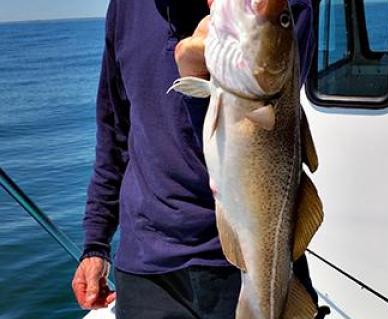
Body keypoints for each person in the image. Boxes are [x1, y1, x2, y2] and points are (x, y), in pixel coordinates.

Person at [71, 0, 317, 318]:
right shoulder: (125, 7)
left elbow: (262, 120)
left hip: (245, 259)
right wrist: (95, 242)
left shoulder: (272, 5)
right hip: (146, 269)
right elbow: (114, 134)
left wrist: (197, 68)